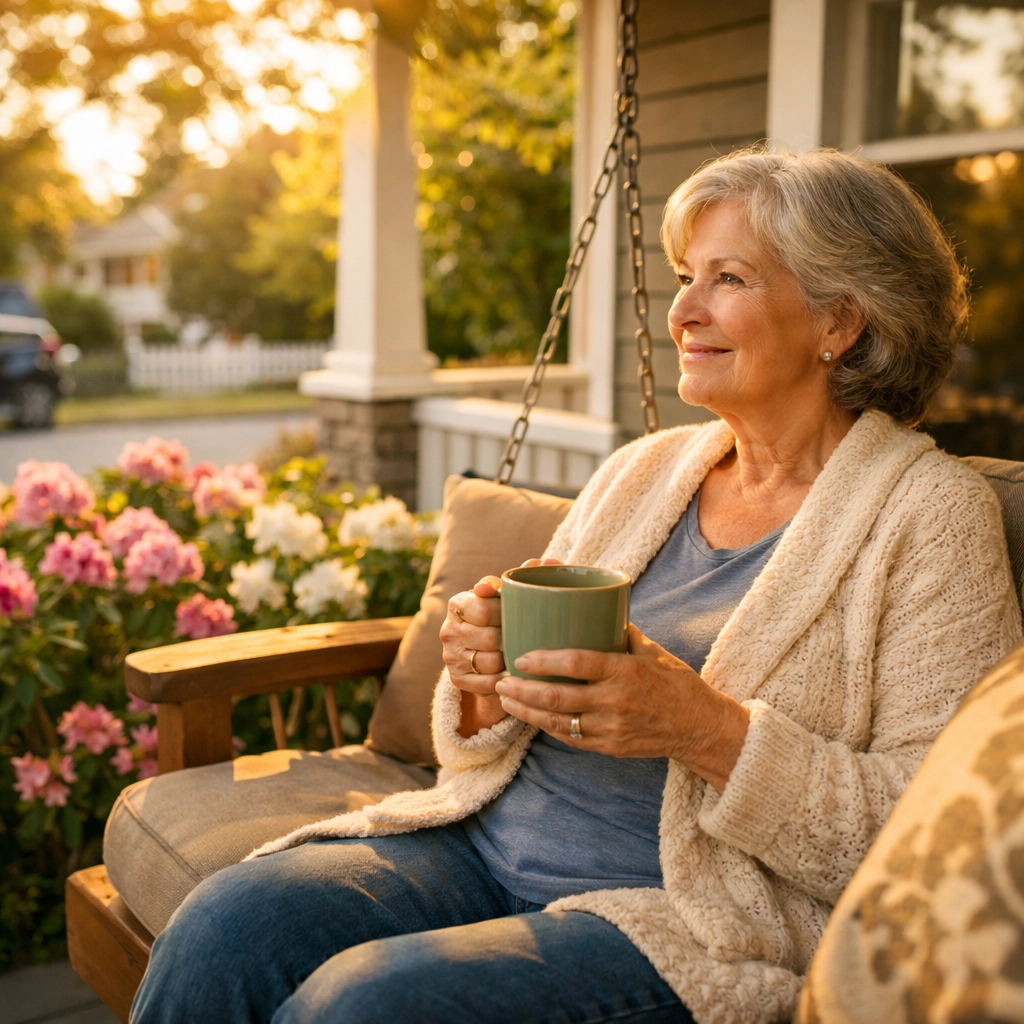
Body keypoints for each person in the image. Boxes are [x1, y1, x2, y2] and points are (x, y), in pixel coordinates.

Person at [131, 147, 1022, 1024]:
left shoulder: (930, 515)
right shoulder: (645, 471)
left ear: (840, 322)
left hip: (683, 914)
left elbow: (929, 837)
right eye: (685, 276)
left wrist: (704, 727)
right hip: (479, 842)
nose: (683, 311)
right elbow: (480, 743)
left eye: (729, 280)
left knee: (364, 1006)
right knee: (230, 922)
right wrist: (480, 682)